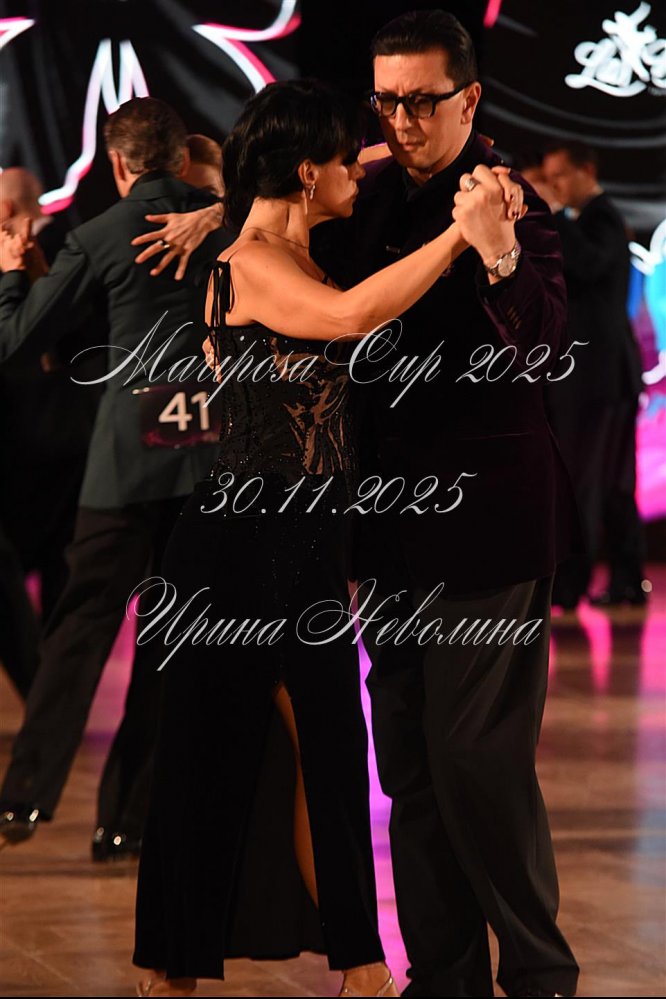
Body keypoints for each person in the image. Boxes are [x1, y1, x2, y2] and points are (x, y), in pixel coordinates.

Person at [131, 77, 525, 998]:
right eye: (347, 159)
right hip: (236, 548)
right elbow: (353, 318)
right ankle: (169, 972)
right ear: (308, 173)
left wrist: (440, 154)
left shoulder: (289, 242)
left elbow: (362, 166)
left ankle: (363, 965)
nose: (363, 168)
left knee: (336, 761)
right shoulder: (253, 261)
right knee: (207, 766)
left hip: (305, 543)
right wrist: (459, 235)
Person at [0, 97, 230, 860]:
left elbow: (17, 339)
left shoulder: (100, 233)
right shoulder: (229, 223)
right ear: (180, 157)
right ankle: (125, 820)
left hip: (128, 457)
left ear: (119, 165)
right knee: (169, 640)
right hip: (206, 453)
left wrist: (10, 276)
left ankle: (25, 795)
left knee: (78, 629)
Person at [541, 140, 647, 608]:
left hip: (596, 376)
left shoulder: (601, 218)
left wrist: (556, 216)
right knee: (610, 483)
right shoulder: (595, 219)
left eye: (560, 176)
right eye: (549, 180)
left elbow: (588, 265)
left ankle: (573, 584)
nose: (555, 187)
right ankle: (625, 580)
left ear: (587, 169)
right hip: (605, 375)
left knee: (587, 481)